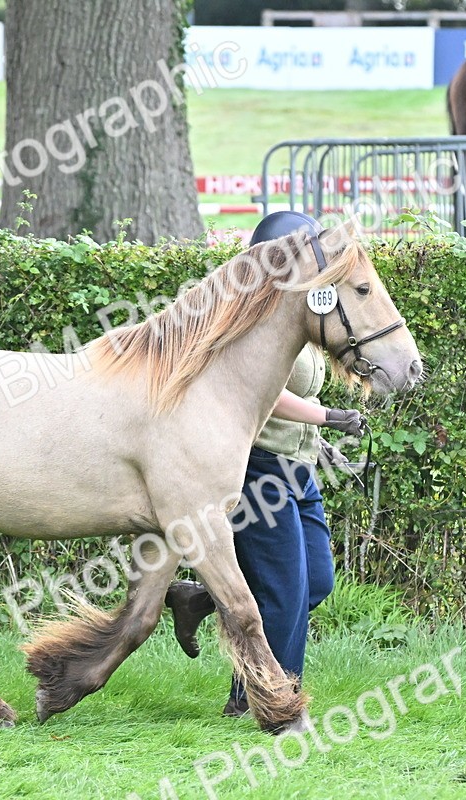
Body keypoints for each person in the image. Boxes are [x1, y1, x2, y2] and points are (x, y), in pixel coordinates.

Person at [164, 212, 366, 718]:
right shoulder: (245, 316)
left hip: (298, 461)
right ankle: (261, 698)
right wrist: (330, 417)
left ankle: (201, 597)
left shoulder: (294, 310)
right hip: (256, 463)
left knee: (315, 581)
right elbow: (266, 392)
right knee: (283, 592)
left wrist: (319, 442)